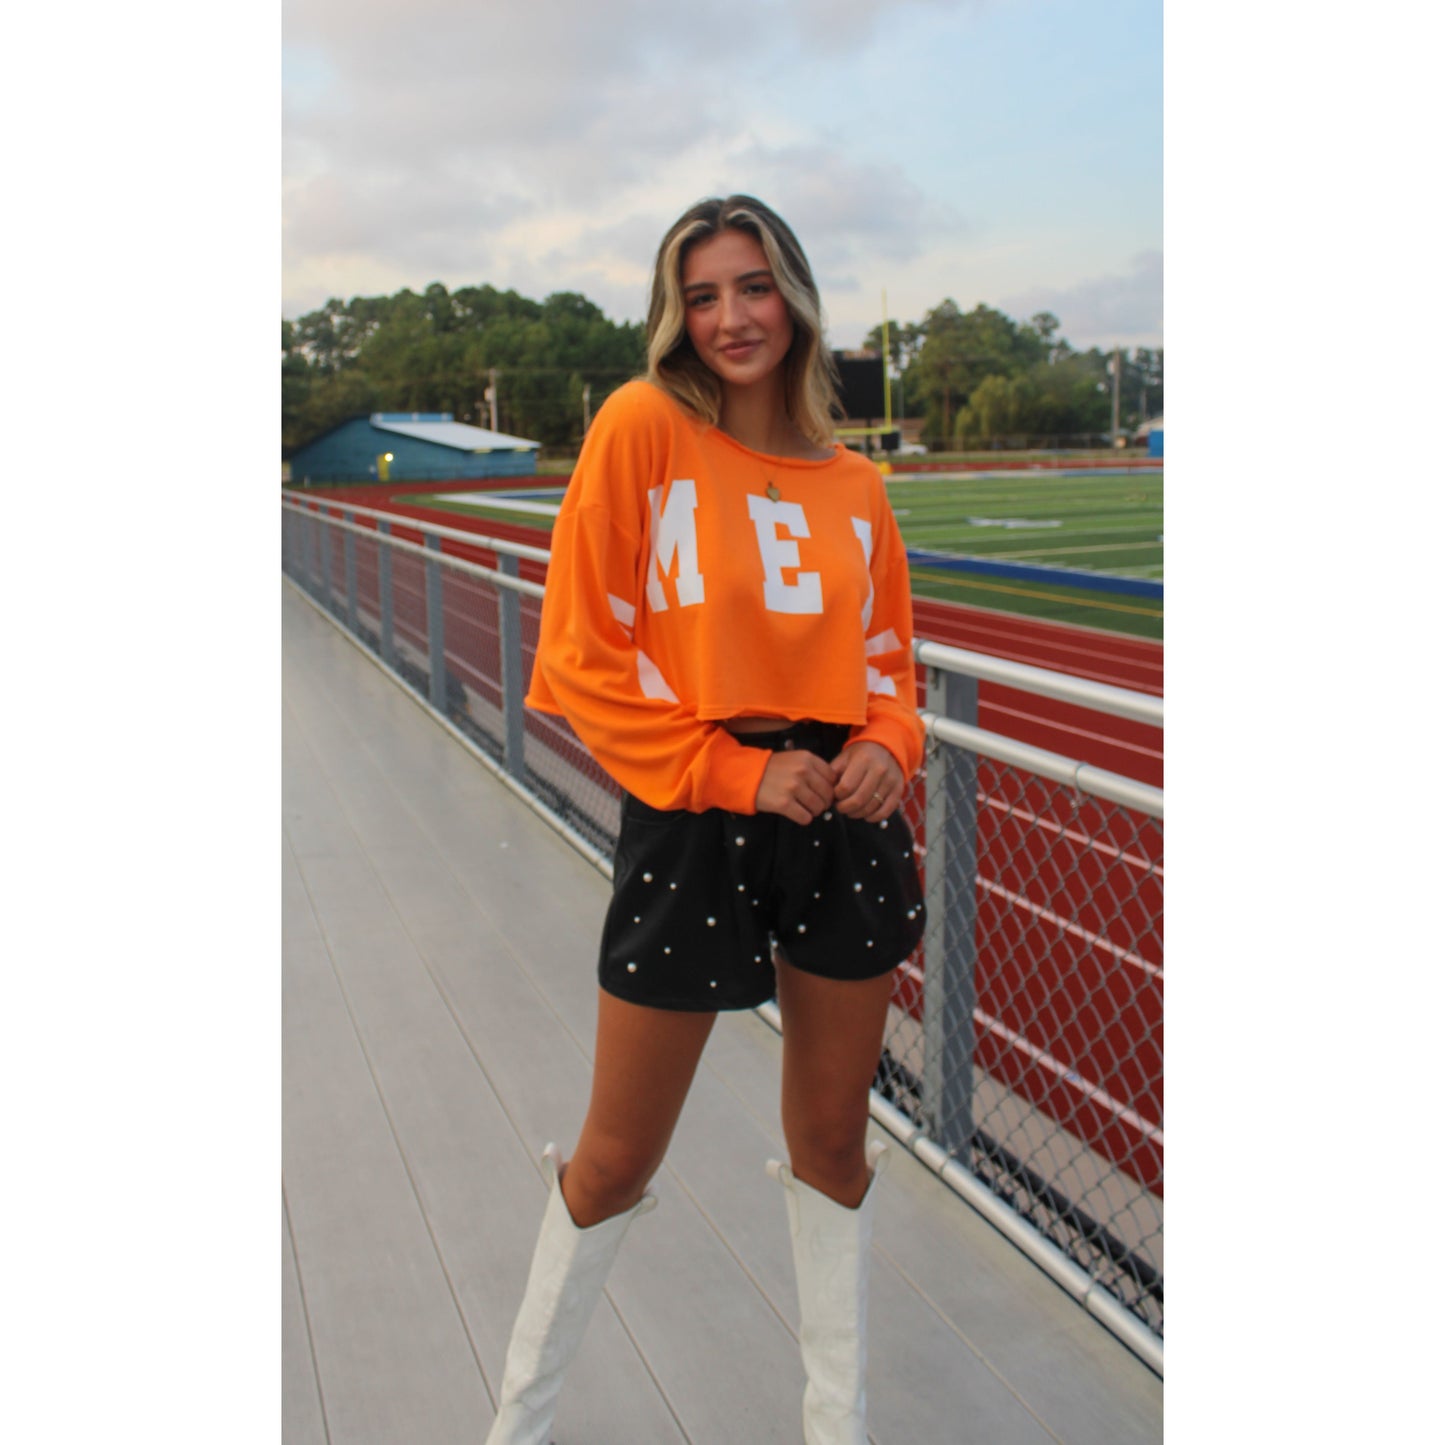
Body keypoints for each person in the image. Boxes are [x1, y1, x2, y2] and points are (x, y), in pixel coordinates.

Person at [485, 195, 926, 1445]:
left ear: (794, 297)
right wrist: (734, 771)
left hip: (844, 821)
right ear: (674, 315)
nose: (730, 316)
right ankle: (517, 1423)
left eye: (753, 286)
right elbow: (579, 655)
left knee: (833, 1139)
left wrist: (890, 744)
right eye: (703, 294)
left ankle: (833, 1428)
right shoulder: (641, 429)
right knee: (616, 1154)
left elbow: (887, 663)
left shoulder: (857, 488)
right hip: (697, 812)